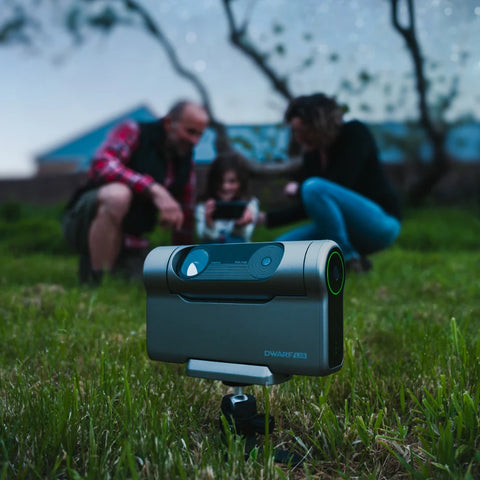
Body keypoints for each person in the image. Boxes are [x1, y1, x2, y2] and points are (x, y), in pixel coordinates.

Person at [62, 100, 209, 284]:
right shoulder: (133, 131)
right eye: (190, 131)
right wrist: (154, 189)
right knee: (118, 195)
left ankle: (117, 270)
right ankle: (97, 282)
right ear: (168, 123)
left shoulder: (186, 161)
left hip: (132, 240)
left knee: (151, 282)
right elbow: (102, 164)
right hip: (82, 222)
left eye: (199, 135)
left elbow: (185, 217)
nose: (194, 141)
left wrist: (184, 267)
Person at [258, 93, 401, 272]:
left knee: (313, 187)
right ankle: (349, 256)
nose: (298, 138)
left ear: (319, 124)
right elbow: (313, 206)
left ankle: (347, 260)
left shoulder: (354, 133)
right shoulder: (312, 156)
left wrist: (299, 189)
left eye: (302, 131)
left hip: (379, 223)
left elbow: (340, 182)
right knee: (279, 248)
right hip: (342, 229)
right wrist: (264, 218)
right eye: (295, 132)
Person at [195, 151, 259, 243]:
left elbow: (245, 235)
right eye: (220, 181)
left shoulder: (249, 204)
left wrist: (240, 225)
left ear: (241, 182)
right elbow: (202, 235)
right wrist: (209, 223)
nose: (225, 187)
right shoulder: (205, 204)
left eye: (232, 181)